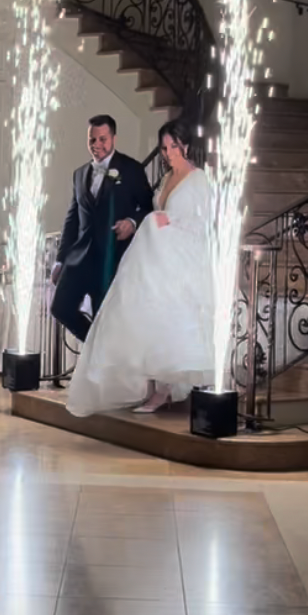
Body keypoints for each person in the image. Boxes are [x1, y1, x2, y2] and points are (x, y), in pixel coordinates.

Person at [66, 117, 215, 417]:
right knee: (141, 315)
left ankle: (163, 389)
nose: (169, 152)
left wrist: (168, 222)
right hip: (155, 258)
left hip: (179, 262)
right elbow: (154, 210)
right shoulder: (164, 180)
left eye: (174, 146)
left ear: (185, 146)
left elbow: (203, 225)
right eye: (164, 147)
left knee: (163, 318)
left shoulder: (199, 179)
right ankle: (150, 387)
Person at [50, 115, 154, 342]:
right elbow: (72, 220)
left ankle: (102, 367)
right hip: (79, 259)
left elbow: (149, 206)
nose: (97, 145)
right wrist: (60, 260)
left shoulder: (131, 169)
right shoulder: (79, 174)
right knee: (60, 308)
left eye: (102, 139)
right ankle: (96, 349)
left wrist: (133, 222)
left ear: (114, 138)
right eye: (92, 140)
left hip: (112, 258)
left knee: (104, 317)